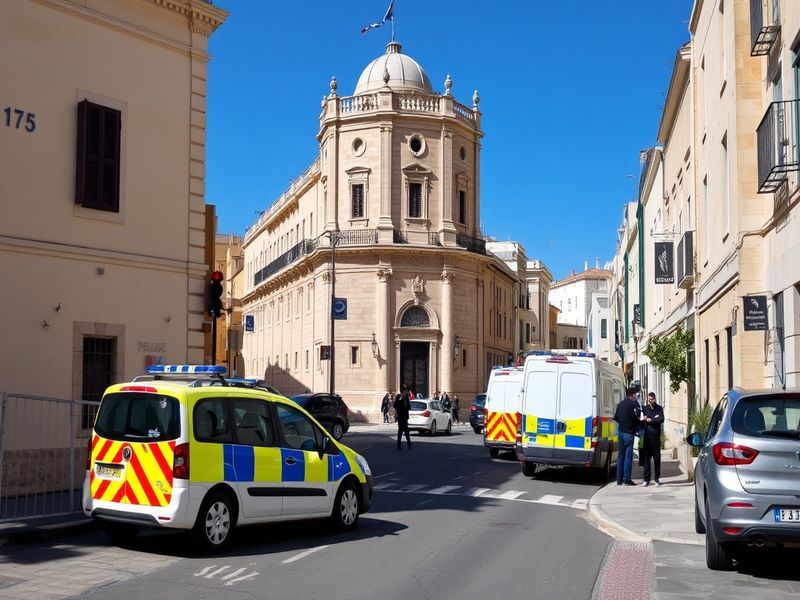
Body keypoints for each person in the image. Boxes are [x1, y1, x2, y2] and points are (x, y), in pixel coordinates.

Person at [614, 387, 641, 486]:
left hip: (620, 431)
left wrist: (622, 423)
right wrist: (640, 423)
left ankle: (618, 479)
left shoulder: (620, 404)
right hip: (629, 433)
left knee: (620, 456)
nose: (636, 397)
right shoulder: (631, 405)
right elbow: (634, 419)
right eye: (636, 395)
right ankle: (627, 478)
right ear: (632, 395)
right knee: (628, 457)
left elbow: (616, 417)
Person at [641, 392, 665, 486]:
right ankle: (646, 479)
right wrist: (649, 419)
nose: (651, 401)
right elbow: (642, 419)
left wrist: (651, 420)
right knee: (646, 459)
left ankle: (656, 479)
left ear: (655, 399)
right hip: (647, 437)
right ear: (648, 399)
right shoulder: (645, 408)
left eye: (652, 399)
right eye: (649, 399)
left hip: (656, 438)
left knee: (657, 458)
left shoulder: (659, 408)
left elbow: (661, 419)